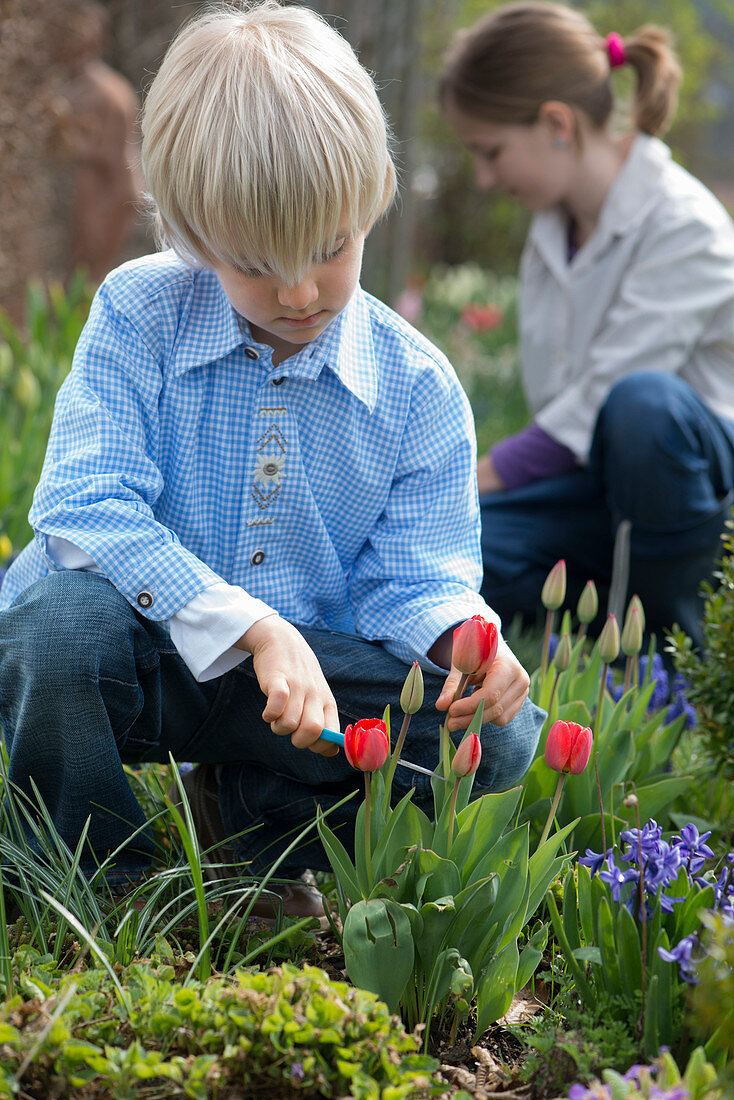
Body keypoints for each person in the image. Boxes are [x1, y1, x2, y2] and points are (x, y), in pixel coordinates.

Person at [0, 1, 543, 917]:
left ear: (374, 192)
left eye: (330, 249)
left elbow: (412, 576)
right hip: (144, 652)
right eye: (256, 261)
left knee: (503, 739)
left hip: (303, 696)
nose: (298, 290)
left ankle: (259, 823)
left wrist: (460, 638)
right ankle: (100, 877)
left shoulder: (416, 388)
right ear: (188, 231)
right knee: (51, 627)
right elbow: (87, 506)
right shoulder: (142, 314)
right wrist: (252, 626)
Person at [440, 1, 734, 649]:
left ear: (556, 124)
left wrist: (461, 477)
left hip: (699, 501)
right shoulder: (552, 229)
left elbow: (598, 403)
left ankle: (670, 652)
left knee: (643, 405)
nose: (486, 178)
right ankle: (604, 608)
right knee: (451, 552)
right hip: (599, 495)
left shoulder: (685, 225)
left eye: (490, 151)